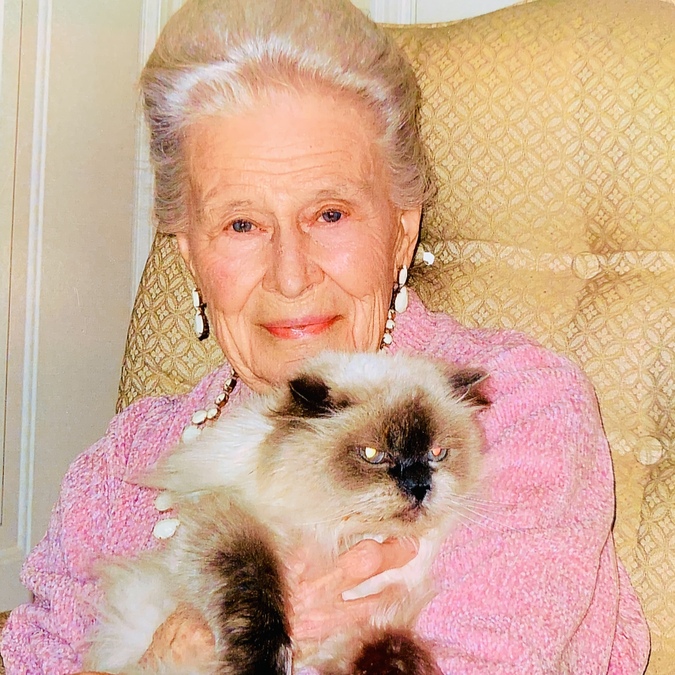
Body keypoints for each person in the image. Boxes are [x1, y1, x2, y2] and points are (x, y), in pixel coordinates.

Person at [0, 0, 650, 673]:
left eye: (330, 213)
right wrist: (184, 649)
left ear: (400, 229)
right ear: (190, 253)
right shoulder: (122, 464)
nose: (290, 274)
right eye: (242, 225)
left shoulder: (506, 405)